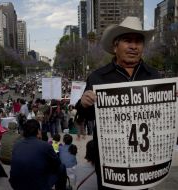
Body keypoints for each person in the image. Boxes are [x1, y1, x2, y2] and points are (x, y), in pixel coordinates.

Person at [76, 17, 160, 189]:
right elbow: (85, 117)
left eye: (138, 42)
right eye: (128, 41)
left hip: (143, 161)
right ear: (115, 46)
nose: (133, 46)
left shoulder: (154, 76)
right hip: (111, 162)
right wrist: (83, 104)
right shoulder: (97, 77)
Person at [9, 119, 67, 190]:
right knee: (62, 167)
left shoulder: (16, 144)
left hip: (15, 185)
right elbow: (57, 163)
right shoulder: (45, 146)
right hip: (38, 186)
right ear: (38, 131)